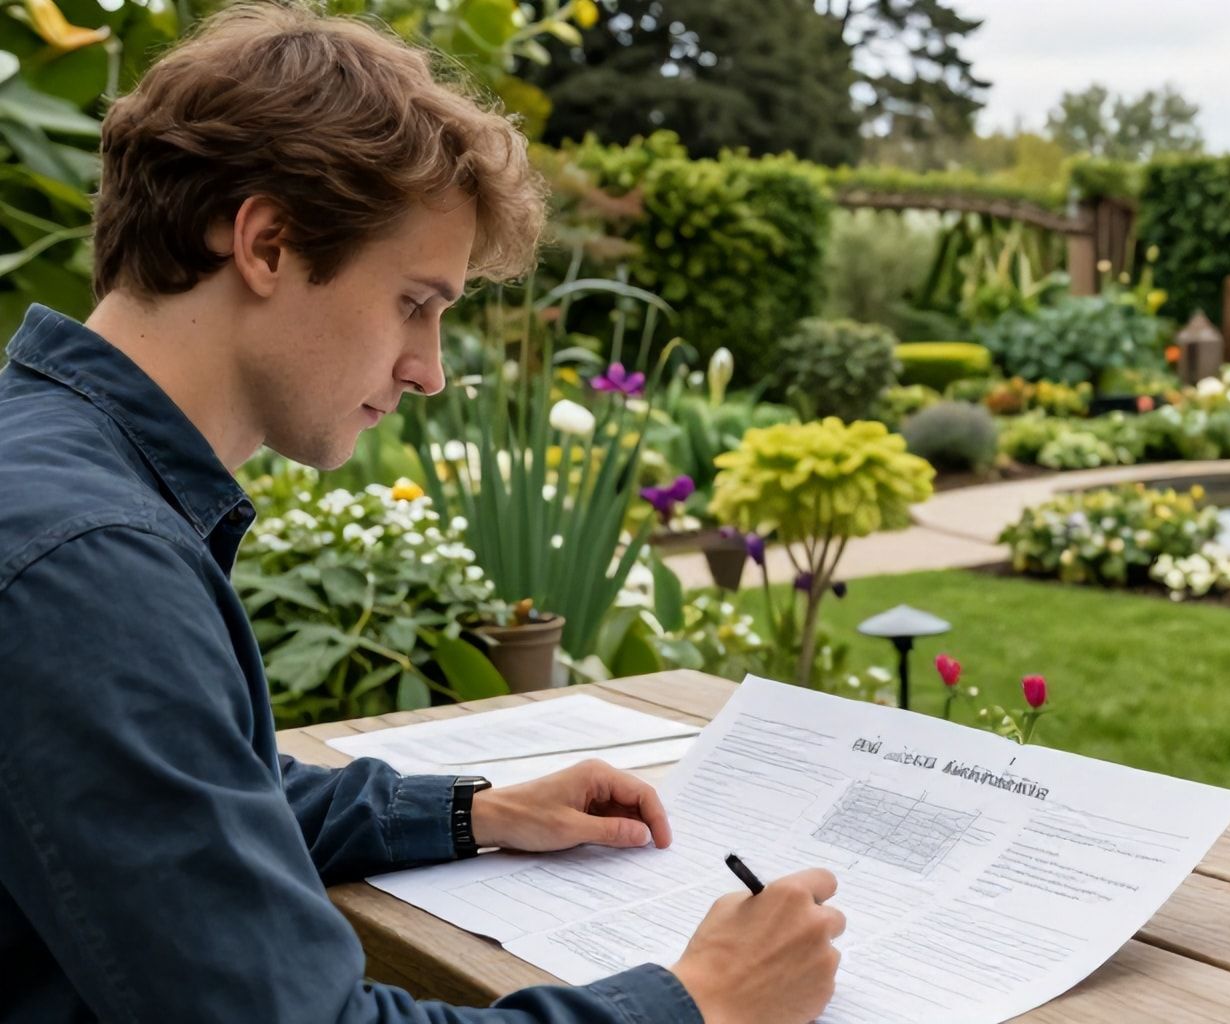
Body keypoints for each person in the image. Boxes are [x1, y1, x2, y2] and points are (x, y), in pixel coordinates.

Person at [0, 4, 845, 1022]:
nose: (430, 369)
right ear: (267, 243)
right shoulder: (89, 563)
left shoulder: (52, 471)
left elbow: (196, 800)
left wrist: (475, 812)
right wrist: (702, 1000)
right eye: (415, 302)